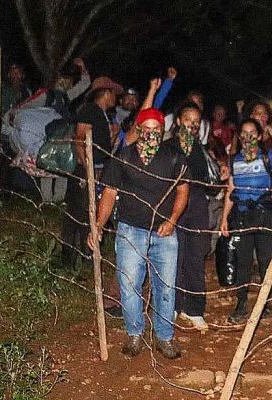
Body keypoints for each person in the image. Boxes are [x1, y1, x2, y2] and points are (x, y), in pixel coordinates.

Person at [89, 108, 189, 359]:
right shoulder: (123, 157)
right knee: (130, 285)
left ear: (162, 132)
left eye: (158, 130)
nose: (152, 134)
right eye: (148, 129)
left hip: (164, 233)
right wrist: (99, 225)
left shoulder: (174, 157)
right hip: (130, 231)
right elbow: (109, 192)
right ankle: (134, 334)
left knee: (165, 287)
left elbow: (183, 190)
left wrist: (172, 220)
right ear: (139, 129)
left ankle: (164, 338)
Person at [220, 118, 272, 323]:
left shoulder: (268, 157)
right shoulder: (235, 161)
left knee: (265, 260)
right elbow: (231, 190)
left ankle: (265, 303)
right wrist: (224, 219)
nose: (248, 138)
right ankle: (241, 303)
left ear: (258, 136)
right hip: (242, 216)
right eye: (244, 134)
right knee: (243, 262)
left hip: (265, 215)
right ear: (239, 136)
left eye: (252, 134)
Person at [60, 75, 121, 269]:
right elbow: (79, 140)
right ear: (105, 93)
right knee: (78, 214)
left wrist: (112, 137)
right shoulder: (89, 111)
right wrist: (88, 171)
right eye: (113, 94)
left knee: (87, 214)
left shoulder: (102, 114)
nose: (116, 99)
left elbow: (98, 146)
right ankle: (71, 259)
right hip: (86, 172)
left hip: (96, 169)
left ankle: (84, 258)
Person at [170, 102, 212, 331]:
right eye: (188, 120)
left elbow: (208, 181)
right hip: (174, 210)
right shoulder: (167, 148)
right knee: (174, 258)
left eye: (196, 122)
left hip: (196, 209)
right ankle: (174, 306)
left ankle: (194, 309)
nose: (193, 125)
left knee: (195, 257)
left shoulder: (201, 150)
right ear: (178, 121)